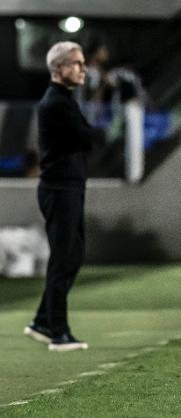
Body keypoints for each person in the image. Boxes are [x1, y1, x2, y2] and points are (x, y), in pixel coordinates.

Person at [23, 41, 93, 351]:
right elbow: (87, 136)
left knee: (72, 256)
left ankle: (42, 320)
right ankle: (58, 333)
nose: (83, 68)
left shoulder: (64, 99)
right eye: (76, 63)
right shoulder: (56, 102)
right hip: (59, 189)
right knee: (63, 259)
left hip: (69, 188)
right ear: (58, 69)